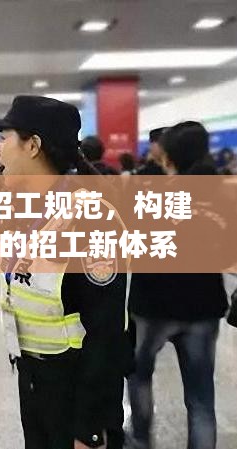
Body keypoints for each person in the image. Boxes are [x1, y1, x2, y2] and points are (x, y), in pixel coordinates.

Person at [0, 96, 132, 449]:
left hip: (75, 386)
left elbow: (107, 334)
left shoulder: (92, 219)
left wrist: (89, 430)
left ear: (32, 145)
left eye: (5, 138)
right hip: (33, 374)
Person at [127, 121, 229, 449]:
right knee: (201, 396)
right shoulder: (224, 193)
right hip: (204, 305)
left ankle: (140, 439)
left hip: (152, 304)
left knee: (138, 375)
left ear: (167, 156)